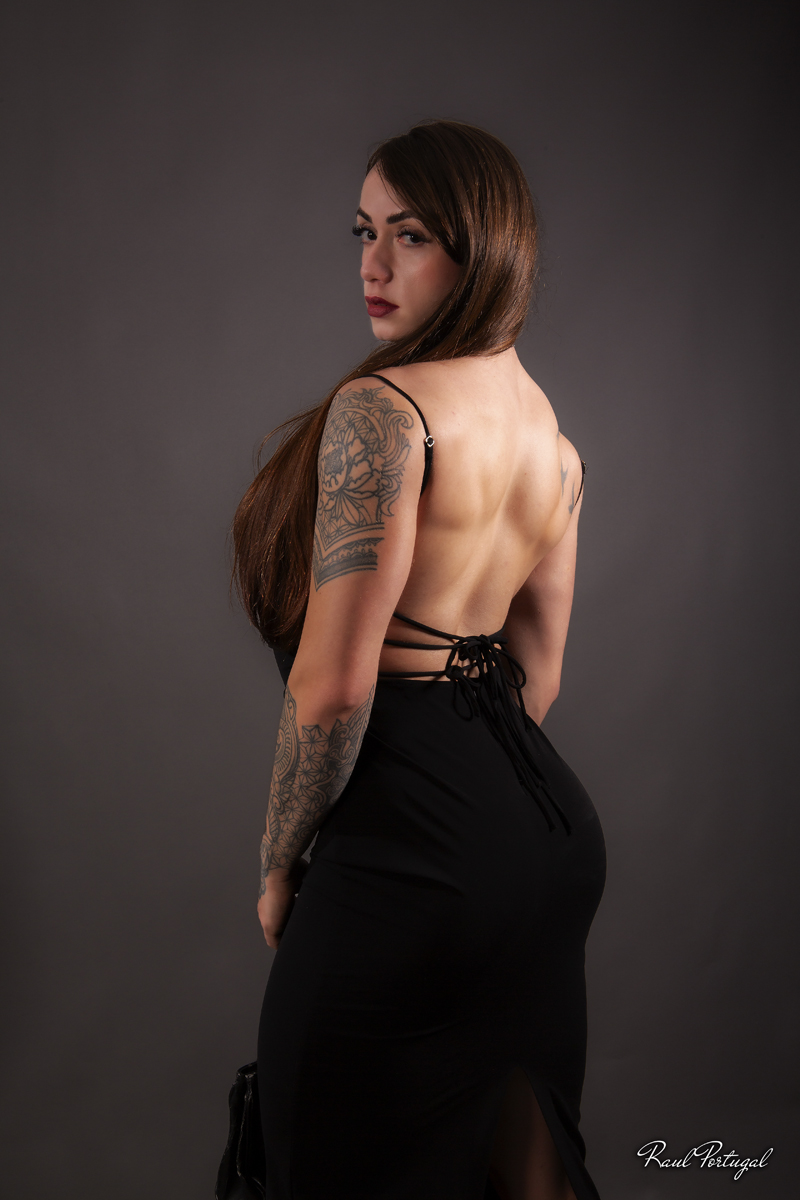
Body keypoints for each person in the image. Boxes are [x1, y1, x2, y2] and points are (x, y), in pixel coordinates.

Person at [232, 119, 606, 1200]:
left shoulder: (384, 412)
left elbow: (334, 685)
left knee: (324, 1161)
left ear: (481, 246)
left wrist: (279, 864)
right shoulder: (553, 444)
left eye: (410, 235)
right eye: (364, 232)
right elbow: (537, 674)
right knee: (521, 1167)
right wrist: (482, 817)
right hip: (545, 839)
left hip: (411, 849)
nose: (373, 265)